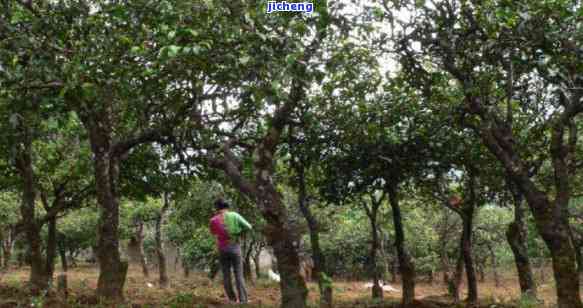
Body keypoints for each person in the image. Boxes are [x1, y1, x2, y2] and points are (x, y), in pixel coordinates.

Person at [209, 198, 252, 304]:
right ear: (227, 207)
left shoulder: (213, 220)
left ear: (217, 208)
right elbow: (249, 227)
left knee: (226, 274)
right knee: (238, 274)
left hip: (222, 248)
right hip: (234, 247)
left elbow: (213, 232)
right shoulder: (234, 215)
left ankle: (232, 300)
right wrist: (238, 232)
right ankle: (243, 300)